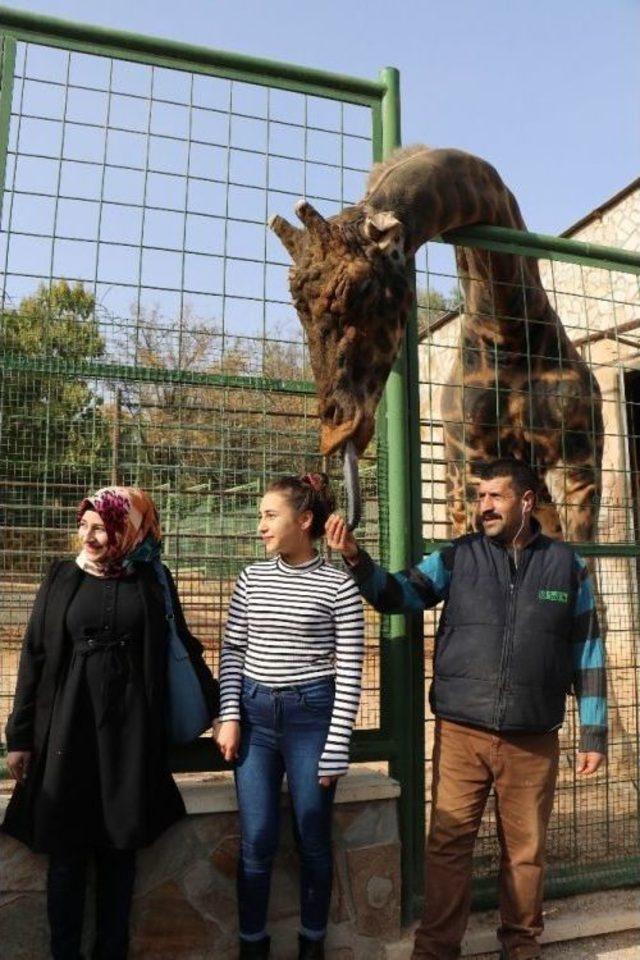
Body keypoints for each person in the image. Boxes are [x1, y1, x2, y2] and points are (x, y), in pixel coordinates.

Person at [325, 458, 607, 960]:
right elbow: (400, 594)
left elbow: (588, 647)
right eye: (480, 498)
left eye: (494, 497)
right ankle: (436, 949)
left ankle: (521, 946)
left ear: (525, 501)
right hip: (461, 732)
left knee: (525, 854)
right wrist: (356, 559)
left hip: (533, 736)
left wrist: (594, 731)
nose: (484, 508)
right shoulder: (457, 557)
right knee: (449, 844)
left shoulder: (567, 565)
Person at [3, 486, 219, 960]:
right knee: (66, 855)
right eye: (84, 525)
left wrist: (219, 707)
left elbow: (178, 647)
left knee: (120, 854)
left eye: (100, 527)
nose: (89, 536)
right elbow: (34, 654)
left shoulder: (150, 579)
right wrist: (19, 737)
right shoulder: (62, 576)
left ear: (127, 530)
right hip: (66, 731)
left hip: (130, 734)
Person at [215, 473, 365, 960]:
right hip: (255, 721)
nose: (261, 525)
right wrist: (230, 714)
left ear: (304, 521)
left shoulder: (340, 585)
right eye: (261, 514)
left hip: (311, 720)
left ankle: (311, 945)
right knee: (256, 840)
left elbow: (350, 669)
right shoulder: (251, 578)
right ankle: (252, 945)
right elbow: (233, 649)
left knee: (311, 836)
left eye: (270, 514)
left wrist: (336, 746)